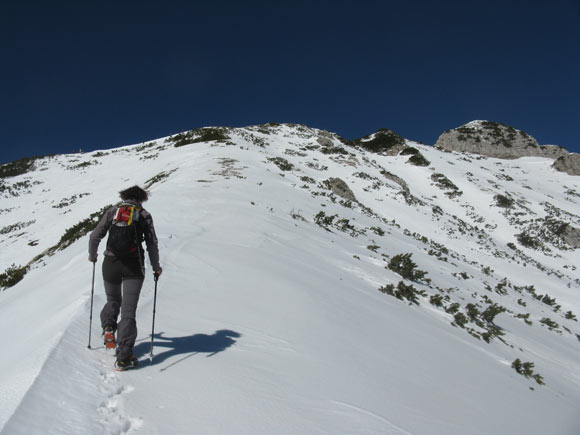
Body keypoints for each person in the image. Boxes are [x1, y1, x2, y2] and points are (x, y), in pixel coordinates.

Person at [88, 185, 162, 370]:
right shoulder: (144, 215)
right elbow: (152, 243)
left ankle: (108, 327)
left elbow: (95, 235)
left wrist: (93, 255)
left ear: (125, 196)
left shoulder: (113, 211)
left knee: (112, 299)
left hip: (110, 264)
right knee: (128, 312)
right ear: (141, 198)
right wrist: (156, 267)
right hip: (133, 267)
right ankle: (124, 357)